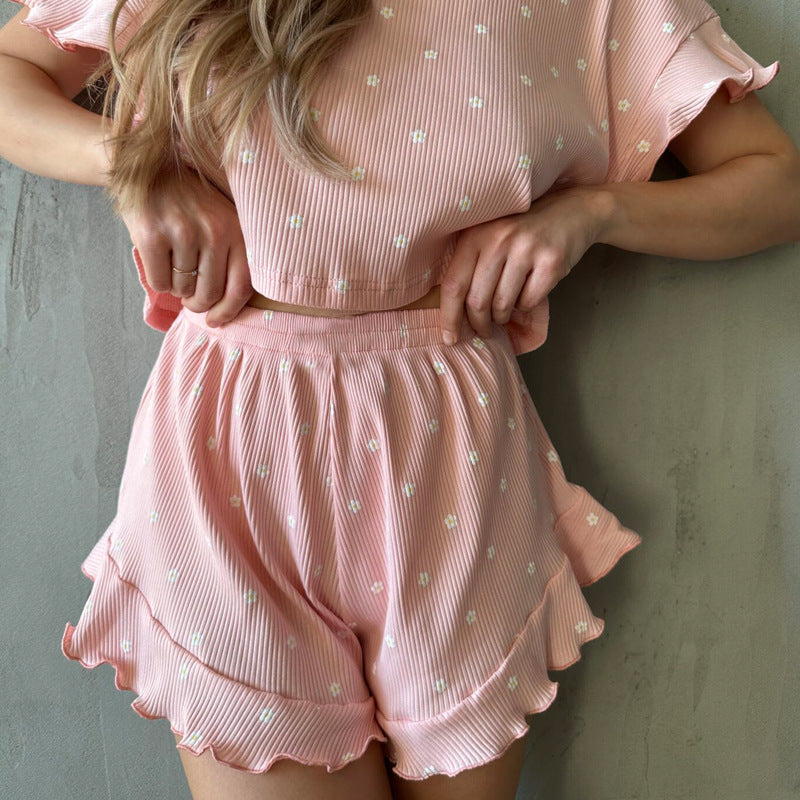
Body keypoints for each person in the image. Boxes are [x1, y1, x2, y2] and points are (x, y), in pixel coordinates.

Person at [0, 1, 796, 798]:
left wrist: (592, 214)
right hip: (230, 454)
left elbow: (776, 182)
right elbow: (12, 73)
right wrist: (135, 167)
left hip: (452, 456)